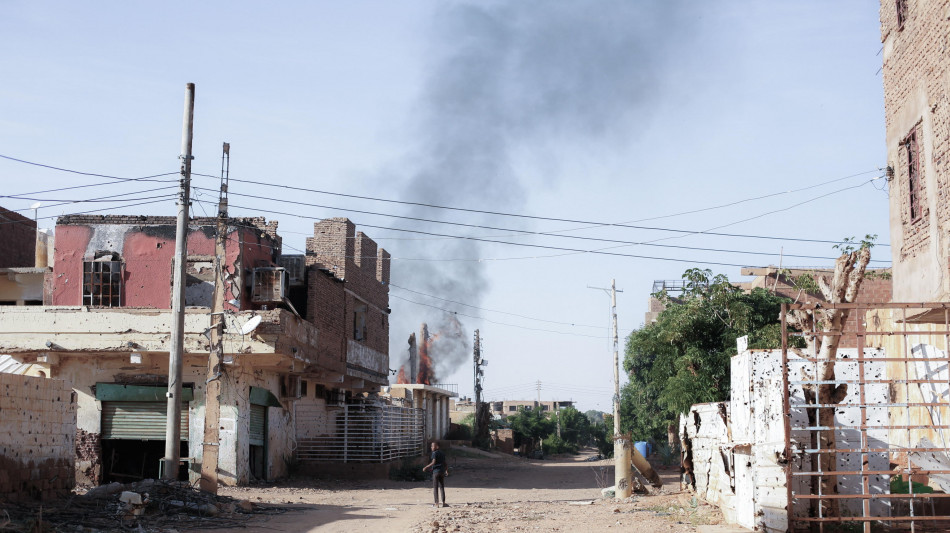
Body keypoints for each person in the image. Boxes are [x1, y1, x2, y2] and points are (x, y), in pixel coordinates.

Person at [422, 441, 448, 508]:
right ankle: (444, 503)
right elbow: (445, 463)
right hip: (442, 472)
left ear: (437, 446)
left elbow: (433, 462)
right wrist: (446, 470)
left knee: (435, 488)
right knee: (442, 487)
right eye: (431, 446)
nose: (431, 447)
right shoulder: (442, 453)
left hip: (436, 472)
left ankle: (436, 503)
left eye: (433, 446)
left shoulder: (434, 453)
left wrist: (426, 467)